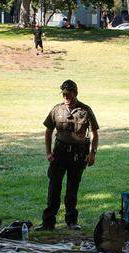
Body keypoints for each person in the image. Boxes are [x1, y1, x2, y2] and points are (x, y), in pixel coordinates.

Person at [40, 79, 99, 230]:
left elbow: (94, 133)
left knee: (72, 189)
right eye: (63, 94)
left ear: (75, 93)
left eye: (68, 94)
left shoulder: (85, 110)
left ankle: (72, 221)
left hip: (78, 155)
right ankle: (48, 222)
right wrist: (48, 152)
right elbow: (48, 131)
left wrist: (92, 153)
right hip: (59, 153)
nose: (65, 97)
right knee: (54, 187)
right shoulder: (57, 109)